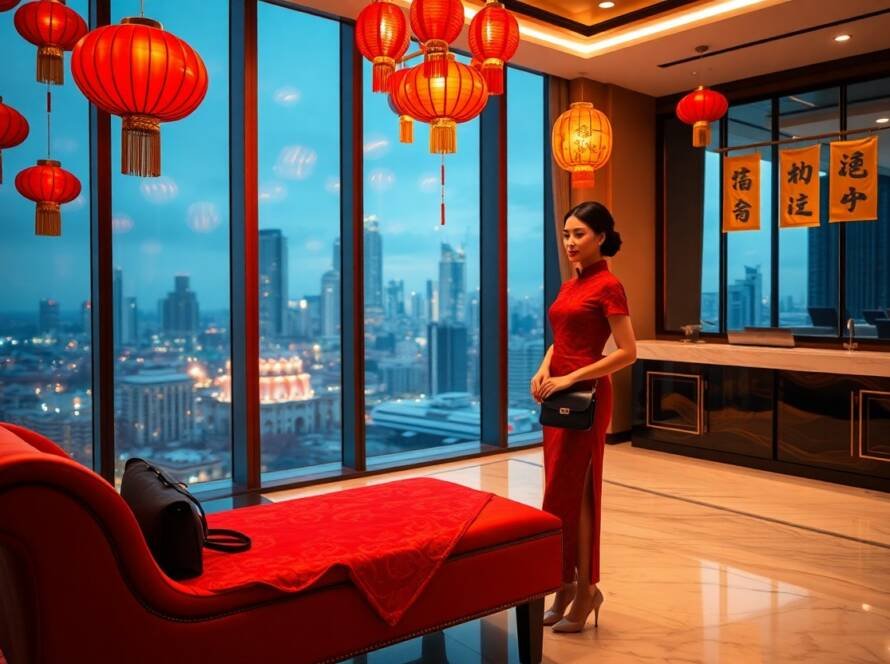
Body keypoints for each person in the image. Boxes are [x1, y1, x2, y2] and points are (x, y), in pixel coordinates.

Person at [531, 201, 637, 633]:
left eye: (579, 234)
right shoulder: (568, 285)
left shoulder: (609, 285)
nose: (570, 242)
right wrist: (544, 368)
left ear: (601, 237)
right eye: (566, 234)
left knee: (582, 494)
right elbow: (562, 339)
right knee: (557, 493)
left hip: (587, 398)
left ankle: (588, 587)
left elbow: (628, 353)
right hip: (558, 394)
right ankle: (564, 584)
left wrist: (569, 377)